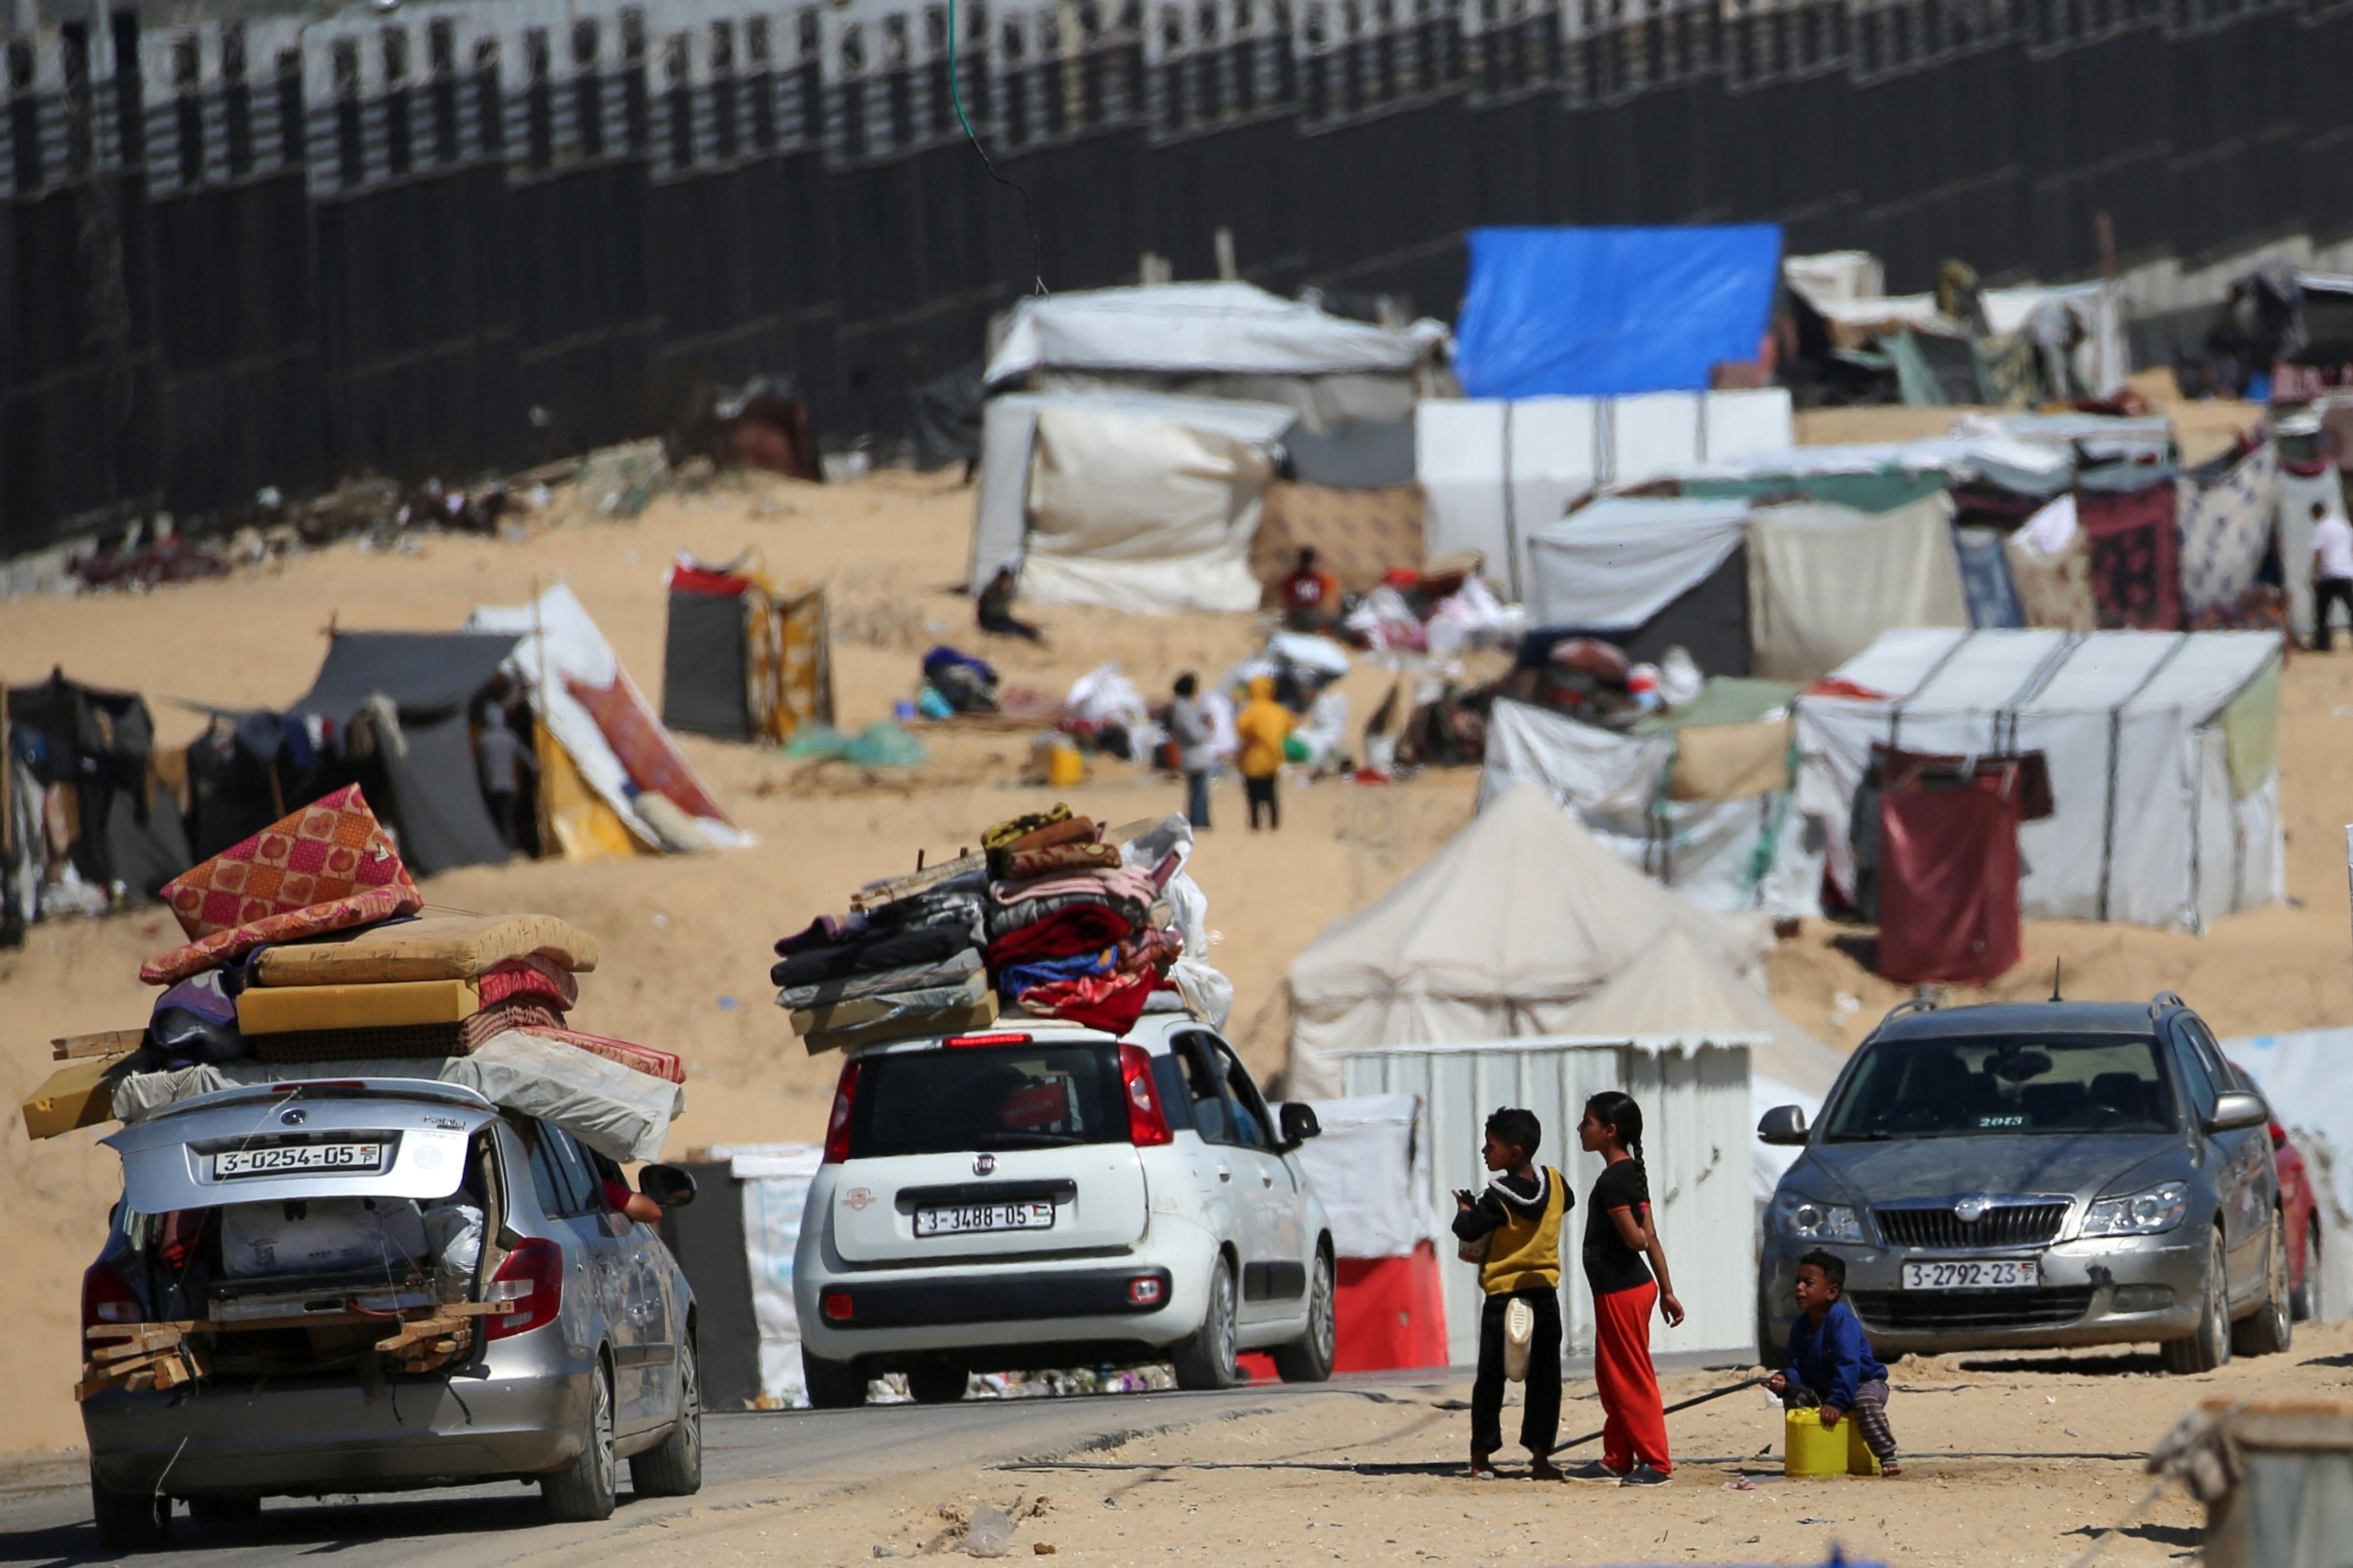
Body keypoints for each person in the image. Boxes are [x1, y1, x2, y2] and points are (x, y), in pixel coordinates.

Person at [1572, 1091, 1685, 1485]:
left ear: (1610, 1130)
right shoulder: (1629, 1174)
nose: (1581, 1129)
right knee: (1612, 1375)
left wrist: (1662, 1285)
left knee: (1631, 1376)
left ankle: (1657, 1462)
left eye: (1587, 1122)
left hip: (1623, 1291)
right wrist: (1667, 1290)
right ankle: (1617, 1456)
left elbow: (1639, 1239)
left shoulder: (1612, 1181)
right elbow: (1652, 1234)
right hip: (1624, 1290)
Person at [1451, 1108, 1570, 1480]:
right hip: (1544, 1293)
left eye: (1492, 1146)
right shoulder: (1555, 1183)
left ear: (1514, 1153)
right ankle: (1539, 1456)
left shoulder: (1496, 1197)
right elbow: (1566, 1204)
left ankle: (1480, 1458)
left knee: (1491, 1376)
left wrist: (1465, 1208)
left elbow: (1468, 1230)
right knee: (1545, 1378)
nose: (1485, 1152)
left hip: (1504, 1296)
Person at [1769, 1249, 1901, 1477]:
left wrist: (1838, 1402)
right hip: (1825, 1387)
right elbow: (1797, 1365)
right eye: (1797, 1282)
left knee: (1866, 1400)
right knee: (1795, 1396)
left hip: (1863, 1382)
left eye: (1808, 1283)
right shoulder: (1800, 1327)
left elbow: (1848, 1365)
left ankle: (1886, 1454)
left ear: (1831, 1292)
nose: (1799, 1288)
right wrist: (1786, 1379)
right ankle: (1807, 1451)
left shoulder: (1841, 1319)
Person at [1234, 676, 1292, 832]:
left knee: (1253, 795)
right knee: (1271, 793)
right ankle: (1274, 823)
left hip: (1252, 758)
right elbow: (1289, 727)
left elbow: (1241, 729)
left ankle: (1255, 823)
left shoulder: (1249, 711)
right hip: (1273, 758)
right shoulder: (1279, 710)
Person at [476, 705, 534, 853]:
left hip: (491, 786)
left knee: (496, 820)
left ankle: (499, 850)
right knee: (509, 819)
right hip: (509, 785)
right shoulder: (510, 737)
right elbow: (529, 760)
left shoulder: (484, 740)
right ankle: (511, 848)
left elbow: (480, 764)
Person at [1167, 673, 1215, 830]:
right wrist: (1207, 727)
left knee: (1199, 790)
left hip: (1193, 753)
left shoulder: (1184, 705)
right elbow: (1193, 733)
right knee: (1198, 791)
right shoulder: (1181, 707)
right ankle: (1198, 821)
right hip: (1192, 754)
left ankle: (1200, 819)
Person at [2312, 501, 2353, 652]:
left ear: (2316, 514)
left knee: (2322, 611)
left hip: (2328, 573)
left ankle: (2323, 644)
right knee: (2351, 608)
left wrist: (2315, 574)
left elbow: (2319, 554)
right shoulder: (2343, 525)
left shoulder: (2320, 527)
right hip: (2346, 572)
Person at [978, 564, 1046, 643]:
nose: (1004, 582)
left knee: (1024, 627)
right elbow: (982, 609)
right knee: (1017, 630)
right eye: (1002, 579)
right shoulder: (989, 592)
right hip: (990, 621)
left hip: (1002, 619)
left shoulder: (1006, 592)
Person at [1279, 548, 1341, 632]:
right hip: (1299, 614)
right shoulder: (1292, 579)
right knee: (1307, 620)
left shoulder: (1318, 579)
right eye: (1306, 562)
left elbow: (1324, 598)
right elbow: (1288, 601)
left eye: (1311, 562)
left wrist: (1321, 610)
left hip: (1314, 613)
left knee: (1336, 622)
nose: (1309, 565)